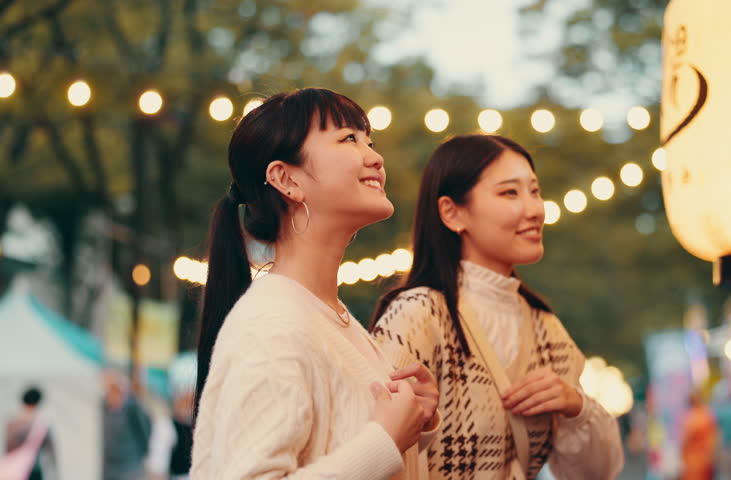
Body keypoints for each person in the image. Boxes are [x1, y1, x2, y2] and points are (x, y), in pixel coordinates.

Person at [191, 88, 439, 480]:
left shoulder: (332, 319)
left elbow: (334, 445)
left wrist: (412, 423)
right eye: (349, 139)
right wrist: (385, 439)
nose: (375, 157)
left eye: (369, 141)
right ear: (285, 179)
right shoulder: (272, 326)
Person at [370, 134, 624, 479]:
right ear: (452, 212)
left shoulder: (543, 325)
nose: (534, 209)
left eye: (534, 191)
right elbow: (380, 448)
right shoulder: (417, 315)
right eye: (510, 192)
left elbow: (599, 473)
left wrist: (575, 406)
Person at [146, 352, 197, 480]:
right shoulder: (166, 427)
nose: (190, 405)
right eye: (186, 399)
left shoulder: (201, 426)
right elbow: (157, 470)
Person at [102, 370, 152, 480]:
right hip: (110, 468)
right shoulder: (105, 406)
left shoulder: (132, 407)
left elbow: (145, 431)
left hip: (130, 467)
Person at [3, 386, 57, 480]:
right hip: (34, 468)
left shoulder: (13, 423)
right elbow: (51, 451)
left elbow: (8, 447)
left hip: (15, 469)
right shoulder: (43, 423)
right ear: (38, 402)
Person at [680, 391, 719, 480]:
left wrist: (681, 454)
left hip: (694, 461)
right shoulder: (707, 414)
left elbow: (685, 440)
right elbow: (714, 438)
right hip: (705, 459)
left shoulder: (692, 419)